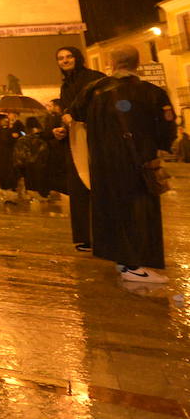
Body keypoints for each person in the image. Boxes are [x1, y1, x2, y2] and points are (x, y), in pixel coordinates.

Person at [69, 46, 175, 283]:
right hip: (138, 162)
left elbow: (76, 113)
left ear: (111, 62)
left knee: (111, 211)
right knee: (139, 213)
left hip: (103, 165)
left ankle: (120, 259)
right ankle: (133, 265)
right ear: (137, 63)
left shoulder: (93, 90)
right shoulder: (152, 92)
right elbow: (166, 129)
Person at [55, 46, 104, 251]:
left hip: (95, 141)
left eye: (69, 57)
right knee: (79, 189)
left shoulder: (95, 78)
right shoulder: (66, 85)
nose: (65, 61)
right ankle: (84, 237)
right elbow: (66, 113)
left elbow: (101, 108)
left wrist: (76, 117)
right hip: (74, 142)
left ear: (78, 58)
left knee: (98, 186)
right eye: (60, 58)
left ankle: (103, 234)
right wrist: (61, 128)